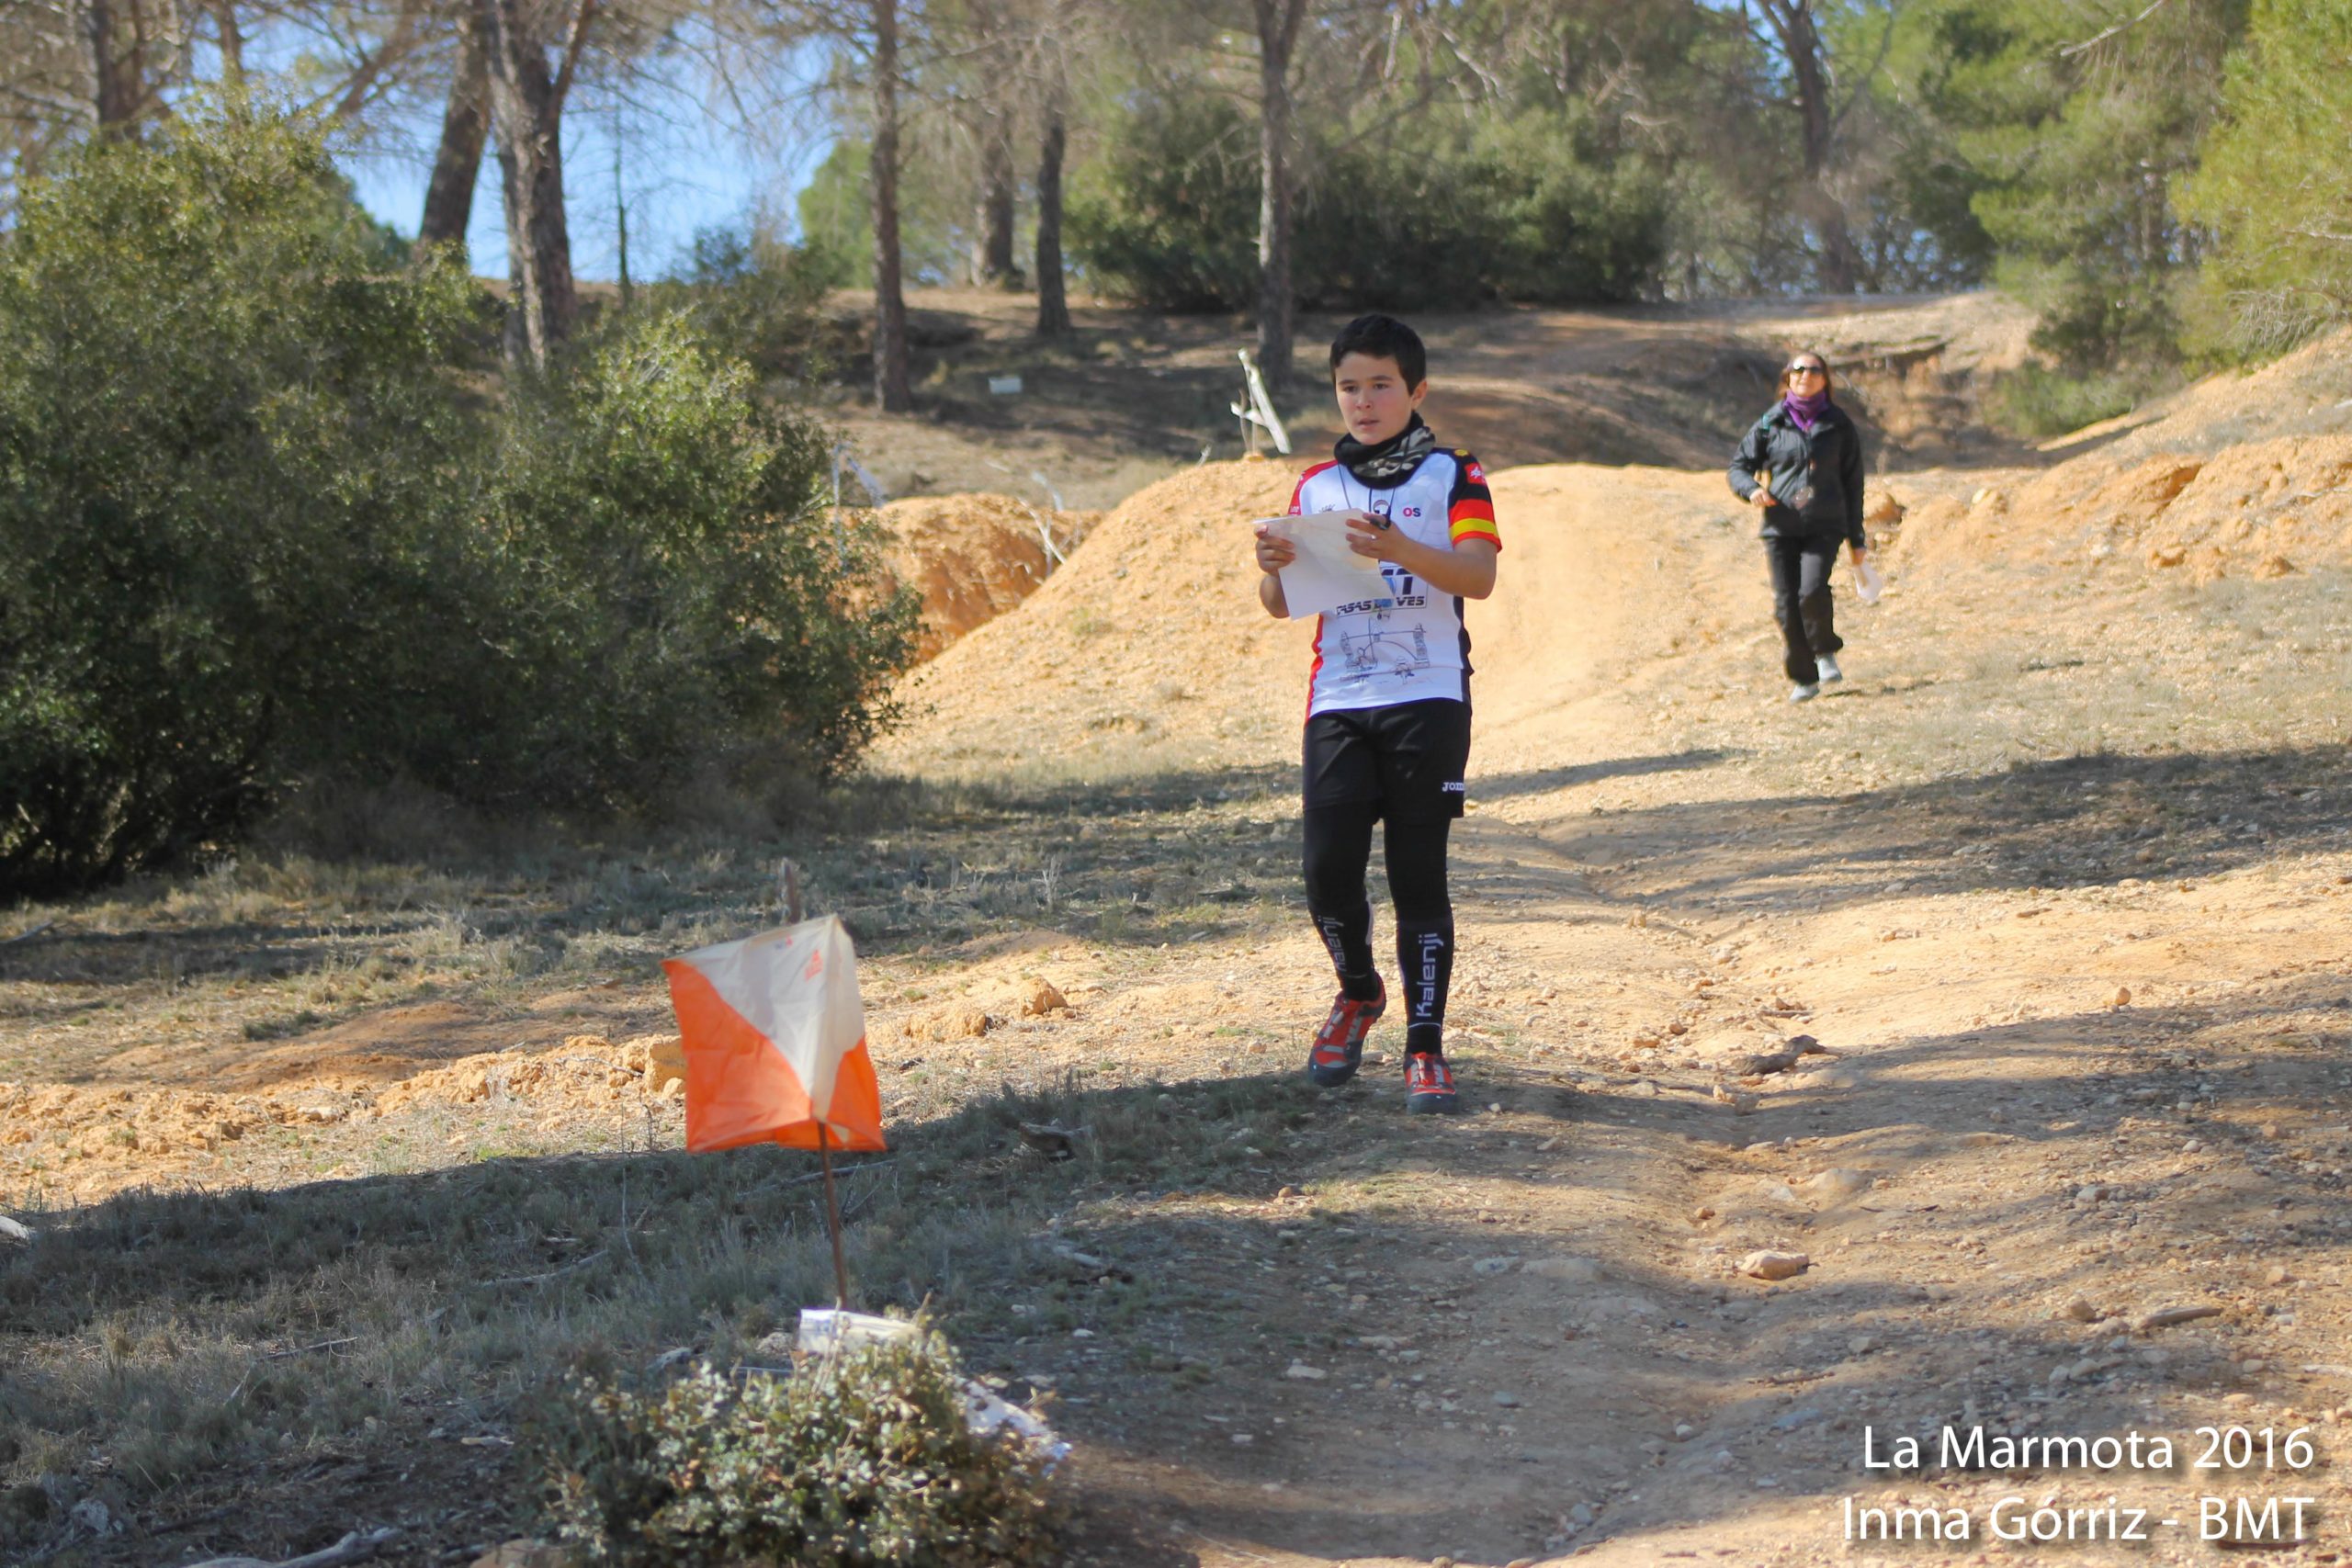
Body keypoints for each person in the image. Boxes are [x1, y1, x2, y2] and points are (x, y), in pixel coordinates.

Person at [1250, 314, 1500, 1115]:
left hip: (1429, 694)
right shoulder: (1316, 487)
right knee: (1326, 873)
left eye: (1381, 385)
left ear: (1416, 391)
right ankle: (1359, 991)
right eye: (1349, 387)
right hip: (1339, 700)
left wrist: (1398, 549)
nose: (1363, 401)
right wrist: (1270, 569)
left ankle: (1426, 1047)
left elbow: (1478, 576)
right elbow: (1280, 603)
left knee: (1417, 876)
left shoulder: (1455, 474)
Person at [1727, 350, 1868, 702]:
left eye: (1815, 370)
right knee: (1786, 605)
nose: (1806, 375)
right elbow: (1738, 468)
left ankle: (1824, 650)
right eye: (1799, 369)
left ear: (1825, 379)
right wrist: (1752, 490)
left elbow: (1854, 483)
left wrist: (1857, 538)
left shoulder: (1838, 424)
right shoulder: (1770, 423)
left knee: (1812, 590)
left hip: (1825, 525)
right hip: (1780, 527)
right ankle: (1804, 678)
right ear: (1788, 377)